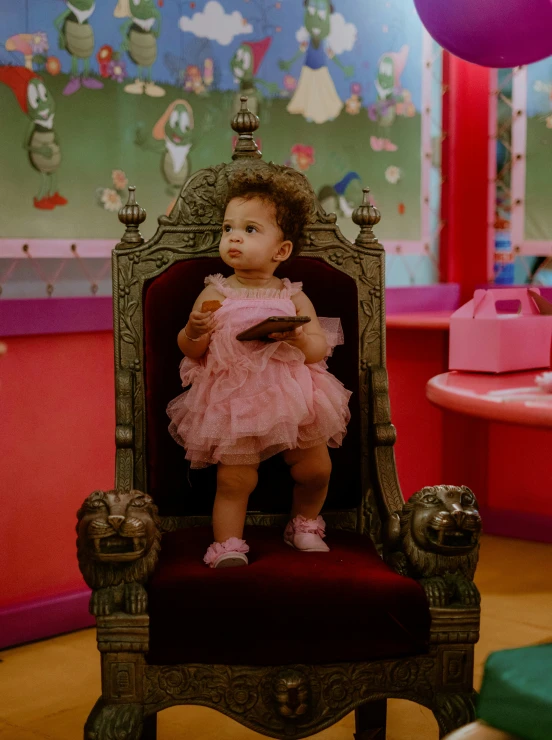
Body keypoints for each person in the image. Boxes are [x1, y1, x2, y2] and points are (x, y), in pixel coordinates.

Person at [167, 170, 352, 568]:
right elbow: (192, 351)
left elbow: (318, 348)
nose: (233, 237)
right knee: (235, 480)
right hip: (236, 400)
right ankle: (228, 545)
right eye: (228, 228)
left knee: (317, 469)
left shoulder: (293, 295)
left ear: (280, 250)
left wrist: (299, 338)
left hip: (296, 394)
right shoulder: (217, 290)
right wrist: (193, 330)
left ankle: (304, 523)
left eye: (250, 229)